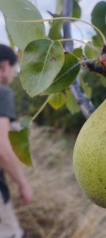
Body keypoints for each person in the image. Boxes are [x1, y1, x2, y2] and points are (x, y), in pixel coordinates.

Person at [0, 44, 33, 238]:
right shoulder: (3, 93)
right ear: (5, 66)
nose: (13, 76)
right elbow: (2, 148)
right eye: (14, 70)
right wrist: (23, 184)